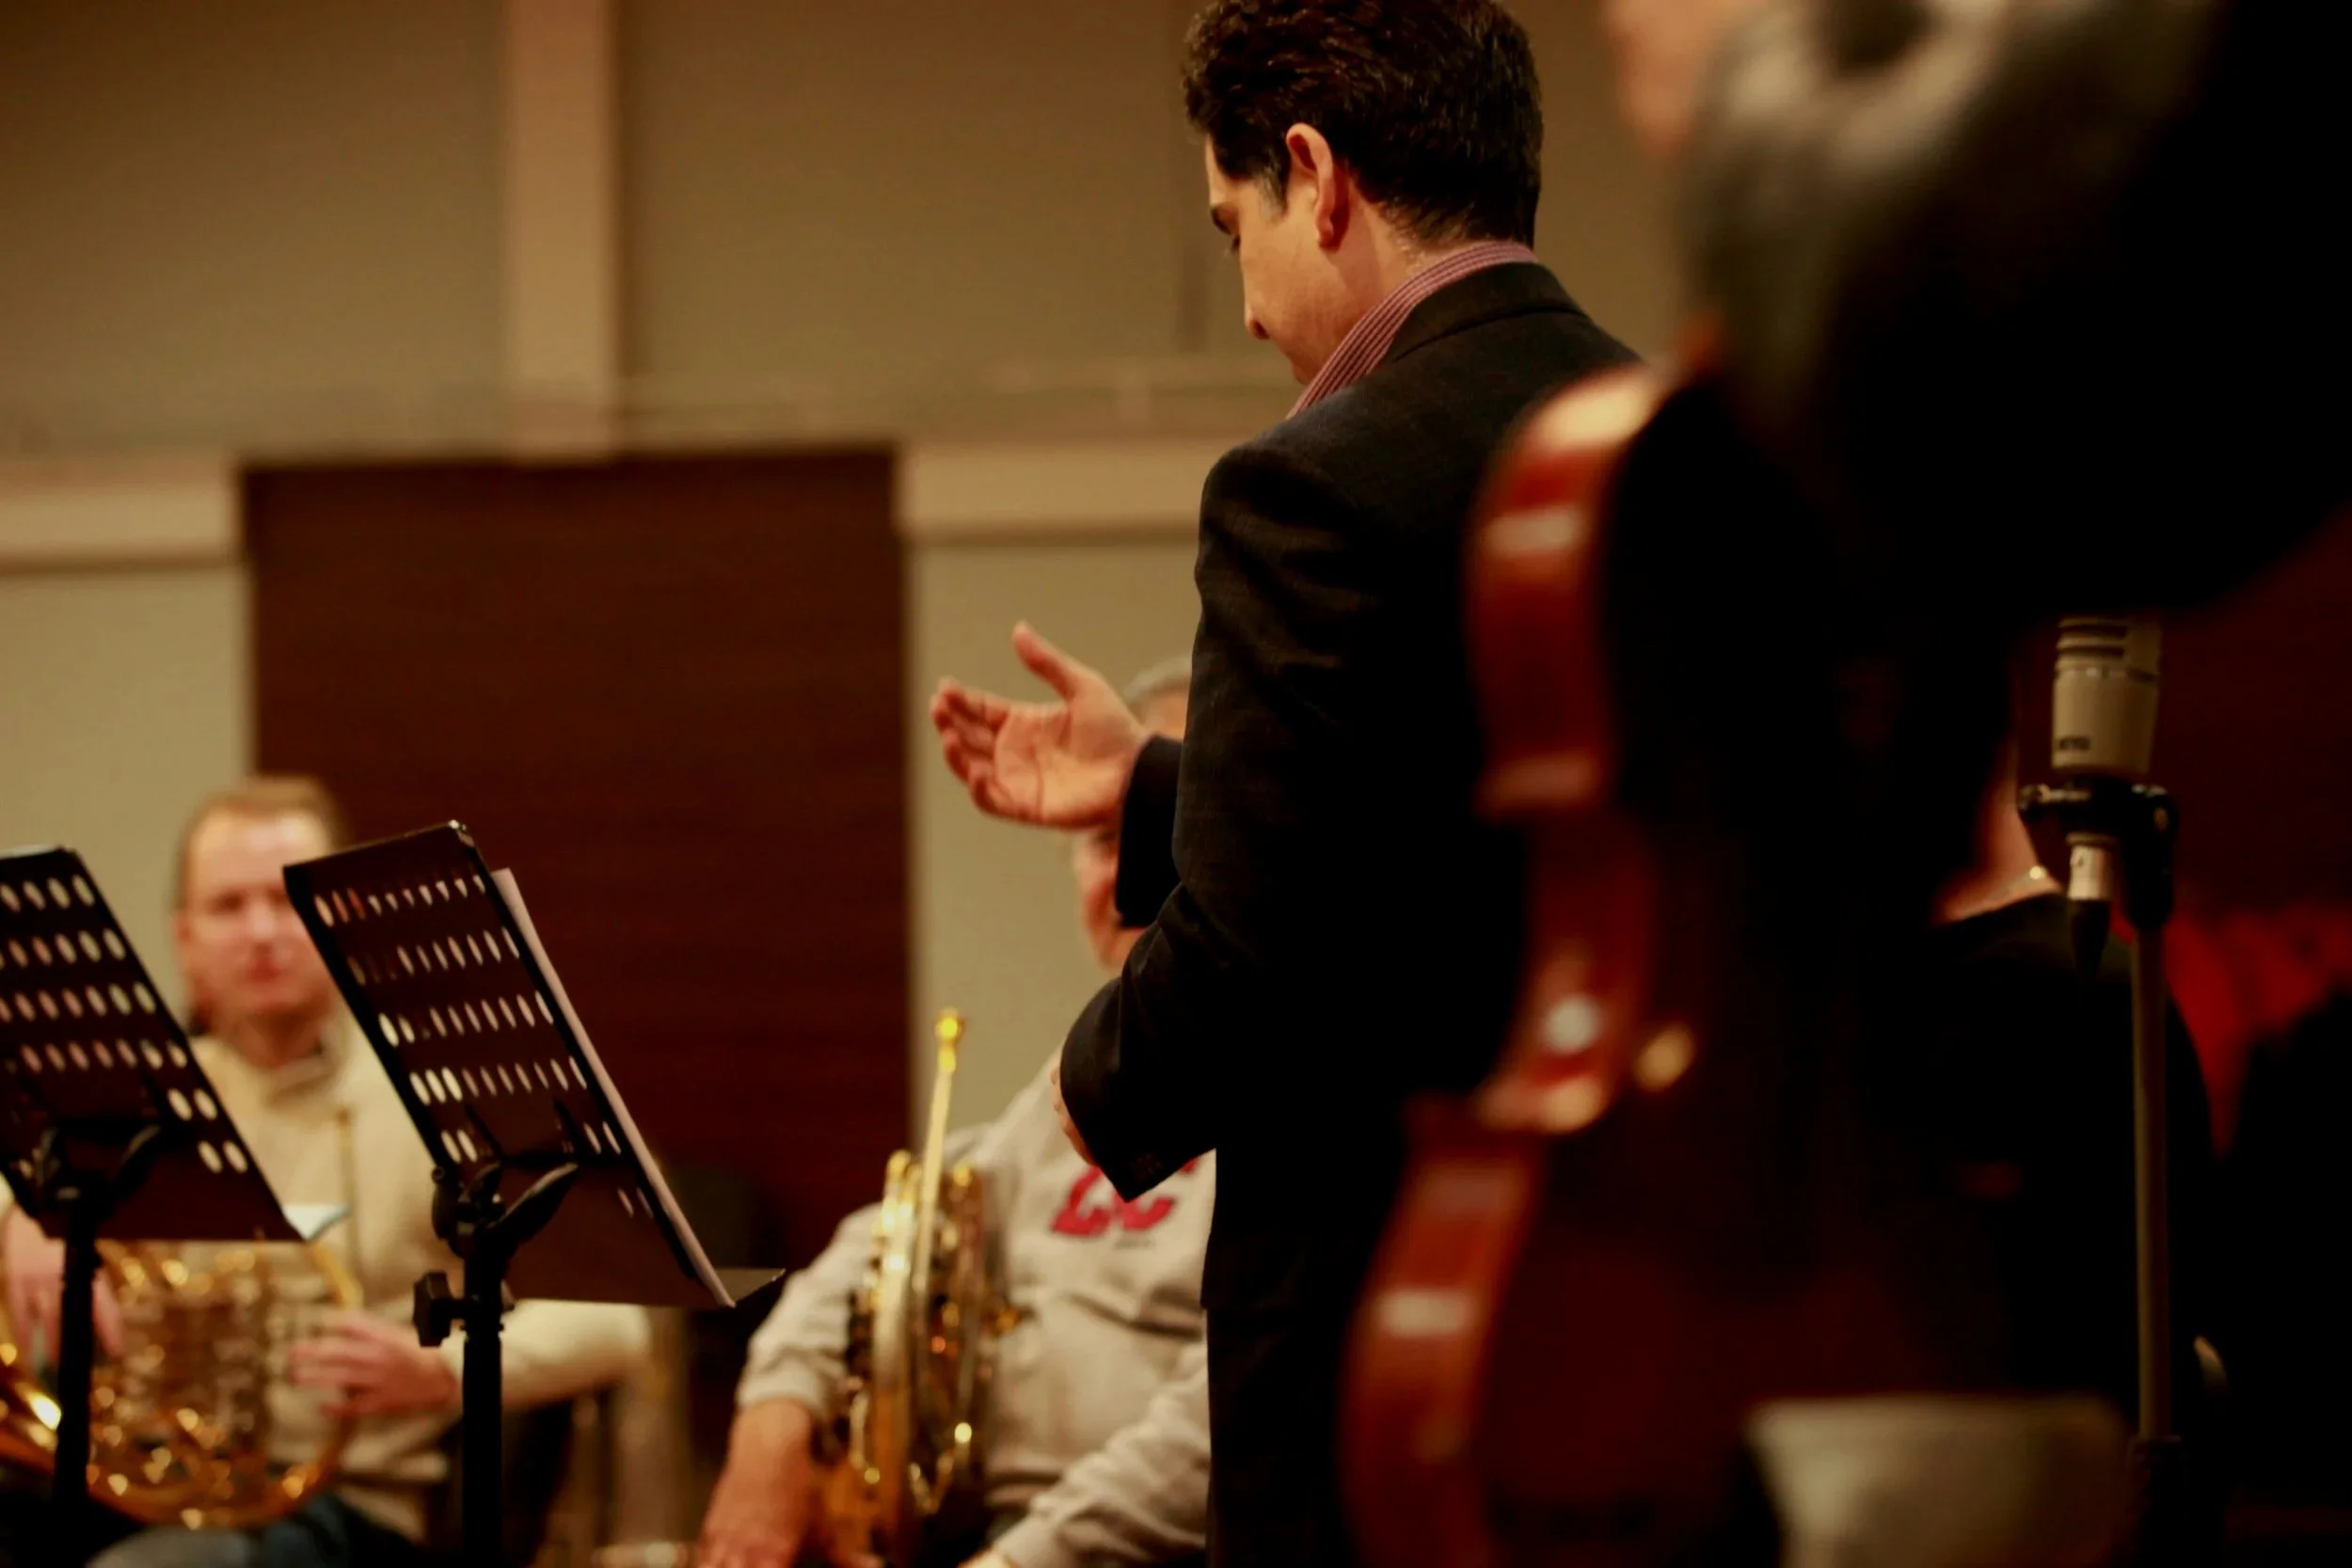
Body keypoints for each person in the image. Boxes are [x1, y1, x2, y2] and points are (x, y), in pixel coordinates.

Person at [929, 6, 1634, 1564]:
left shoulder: (1311, 482)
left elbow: (1256, 966)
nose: (1246, 308)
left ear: (1314, 177)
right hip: (1655, 1307)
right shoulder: (1683, 444)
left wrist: (1084, 1083)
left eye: (1230, 223)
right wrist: (1160, 785)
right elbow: (1486, 831)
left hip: (1396, 1330)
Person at [0, 776, 650, 1568]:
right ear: (183, 939)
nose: (262, 931)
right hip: (141, 1480)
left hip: (351, 1505)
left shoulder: (441, 1100)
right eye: (229, 906)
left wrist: (436, 1371)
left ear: (341, 917)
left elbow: (619, 1325)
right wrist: (23, 1216)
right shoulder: (135, 1094)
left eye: (285, 898)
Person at [701, 664, 1212, 1568]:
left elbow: (1225, 1420)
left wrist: (1020, 1563)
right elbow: (883, 1243)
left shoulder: (1298, 1107)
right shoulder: (1064, 1097)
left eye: (1155, 835)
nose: (1125, 879)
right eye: (1100, 841)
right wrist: (771, 1421)